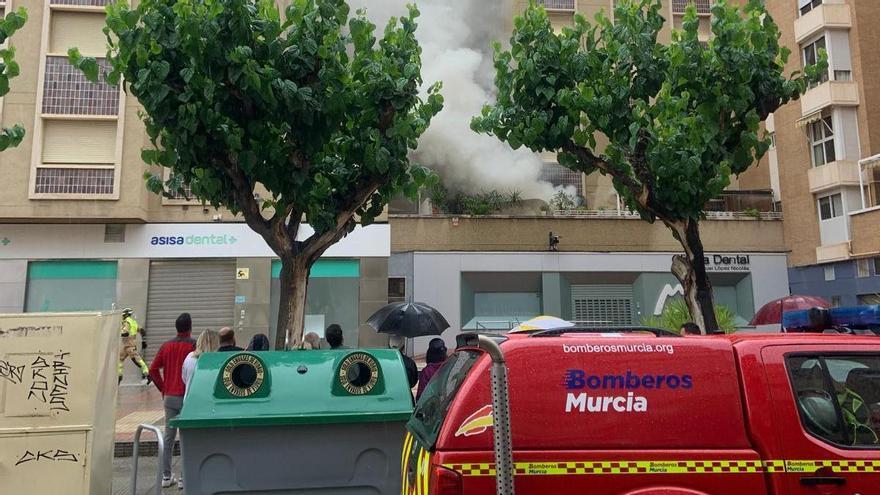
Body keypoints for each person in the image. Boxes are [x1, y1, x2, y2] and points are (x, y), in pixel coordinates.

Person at [149, 313, 196, 489]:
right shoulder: (193, 346)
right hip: (186, 397)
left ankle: (166, 476)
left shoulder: (166, 346)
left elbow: (153, 369)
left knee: (168, 437)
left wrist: (163, 388)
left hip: (169, 397)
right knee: (186, 437)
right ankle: (185, 478)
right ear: (190, 328)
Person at [182, 329, 220, 396]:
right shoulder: (216, 362)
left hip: (189, 401)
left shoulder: (190, 357)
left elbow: (184, 378)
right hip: (207, 401)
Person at [118, 308, 150, 384]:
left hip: (129, 346)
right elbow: (142, 331)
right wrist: (144, 341)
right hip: (127, 346)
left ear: (125, 315)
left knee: (138, 360)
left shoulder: (126, 322)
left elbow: (126, 333)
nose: (122, 317)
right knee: (120, 359)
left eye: (122, 315)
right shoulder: (133, 322)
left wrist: (118, 333)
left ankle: (148, 374)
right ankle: (119, 376)